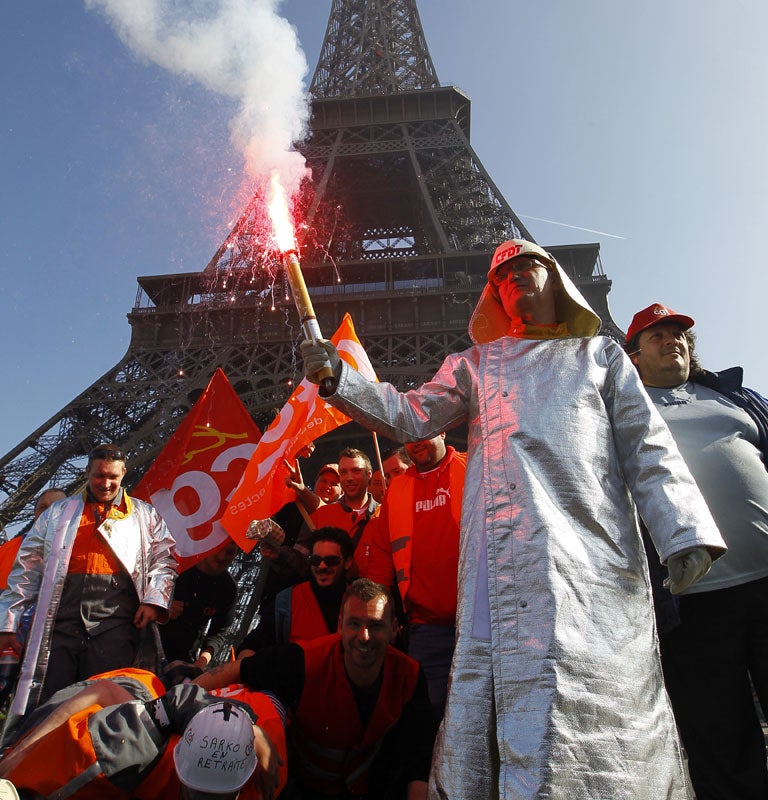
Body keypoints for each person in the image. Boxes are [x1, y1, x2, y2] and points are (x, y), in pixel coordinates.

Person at [301, 239, 726, 800]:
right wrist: (341, 379)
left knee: (602, 679)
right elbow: (411, 415)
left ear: (556, 281)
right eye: (502, 276)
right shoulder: (476, 365)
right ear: (493, 296)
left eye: (526, 267)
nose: (514, 278)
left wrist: (683, 531)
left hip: (591, 547)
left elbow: (646, 447)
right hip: (500, 559)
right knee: (503, 691)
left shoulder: (601, 356)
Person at [626, 302, 768, 800]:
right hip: (691, 603)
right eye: (657, 336)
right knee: (720, 740)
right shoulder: (620, 413)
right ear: (634, 356)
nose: (672, 342)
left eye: (679, 335)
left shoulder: (738, 398)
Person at [198, 578, 435, 800]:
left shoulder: (410, 676)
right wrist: (184, 692)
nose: (365, 637)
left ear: (394, 629)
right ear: (340, 625)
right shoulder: (304, 660)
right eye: (354, 623)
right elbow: (239, 670)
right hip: (300, 787)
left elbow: (419, 755)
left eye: (376, 625)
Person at [0, 444, 177, 717]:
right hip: (61, 619)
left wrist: (154, 600)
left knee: (102, 707)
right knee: (49, 705)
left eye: (113, 477)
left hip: (116, 622)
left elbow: (164, 560)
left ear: (124, 474)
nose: (106, 483)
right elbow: (27, 569)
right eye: (99, 476)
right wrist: (9, 623)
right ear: (87, 472)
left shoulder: (146, 515)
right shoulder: (56, 513)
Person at [0, 666, 286, 799]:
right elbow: (103, 692)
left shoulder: (267, 780)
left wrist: (252, 731)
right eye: (197, 796)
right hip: (126, 689)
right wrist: (19, 754)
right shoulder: (124, 747)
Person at [362, 433, 465, 720]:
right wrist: (374, 610)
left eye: (424, 433)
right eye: (408, 436)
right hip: (426, 627)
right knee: (428, 716)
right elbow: (383, 552)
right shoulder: (398, 489)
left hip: (482, 622)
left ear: (443, 430)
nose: (416, 442)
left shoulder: (473, 467)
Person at [239, 527, 353, 655]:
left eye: (331, 561)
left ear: (348, 562)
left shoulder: (361, 601)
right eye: (315, 560)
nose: (322, 566)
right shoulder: (288, 601)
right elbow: (253, 644)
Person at [160, 540, 239, 669]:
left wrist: (202, 661)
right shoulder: (176, 563)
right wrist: (162, 606)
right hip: (147, 644)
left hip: (182, 660)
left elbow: (219, 632)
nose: (222, 557)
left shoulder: (228, 589)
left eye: (230, 552)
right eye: (218, 548)